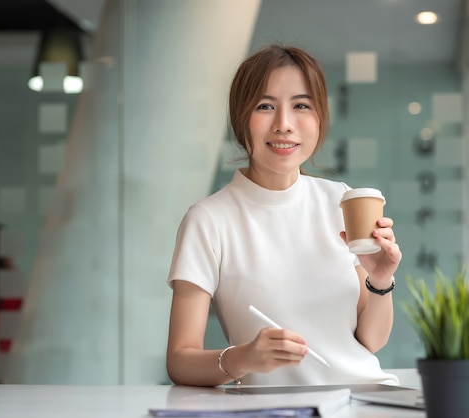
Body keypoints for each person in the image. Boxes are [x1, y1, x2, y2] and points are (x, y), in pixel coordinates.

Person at [165, 44, 402, 387]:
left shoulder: (340, 201)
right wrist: (243, 357)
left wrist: (380, 281)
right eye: (265, 106)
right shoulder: (208, 220)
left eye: (301, 106)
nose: (284, 124)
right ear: (240, 118)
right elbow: (179, 360)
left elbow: (370, 342)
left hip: (365, 399)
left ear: (319, 117)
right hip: (277, 408)